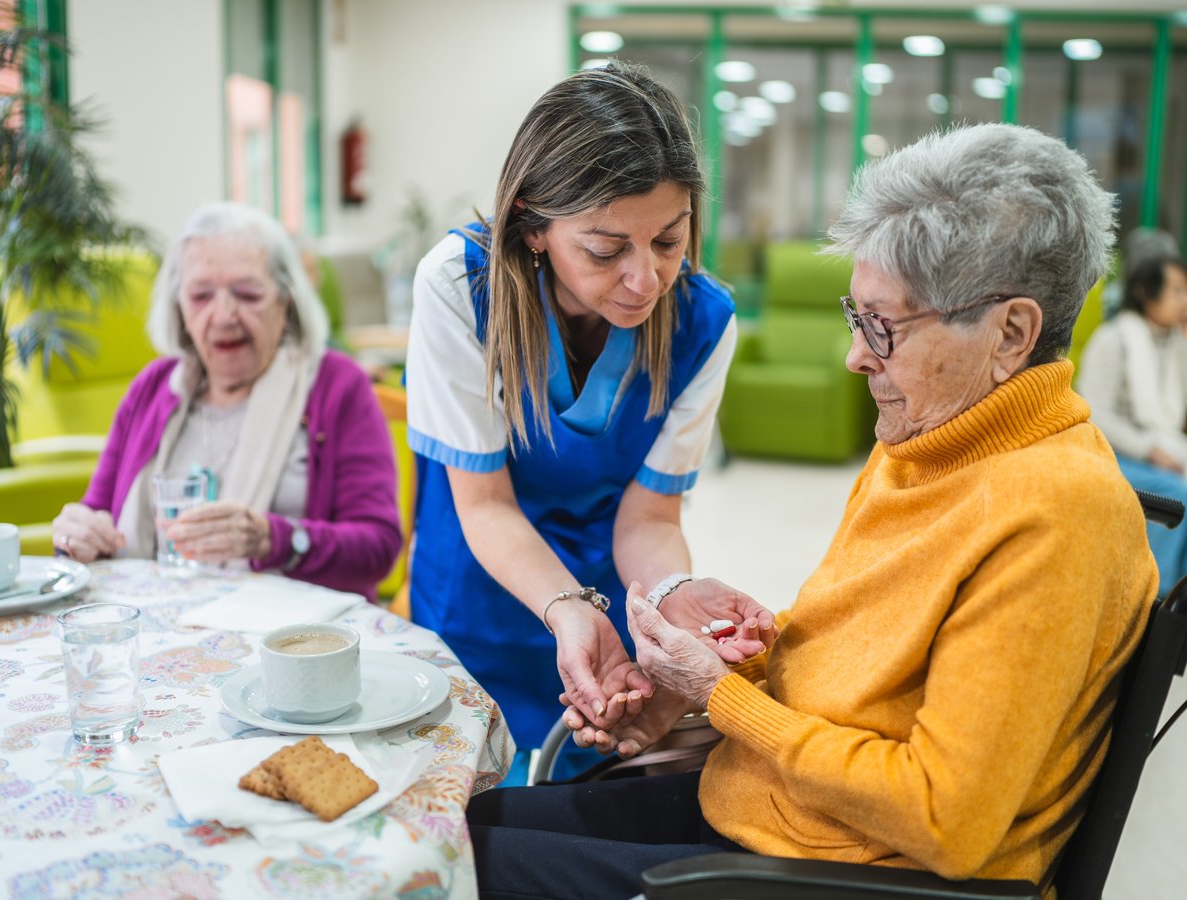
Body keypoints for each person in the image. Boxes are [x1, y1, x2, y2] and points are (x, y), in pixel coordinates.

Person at [465, 122, 1159, 899]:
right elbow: (869, 676)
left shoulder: (1057, 517)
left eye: (883, 327)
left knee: (460, 868)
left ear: (1012, 333)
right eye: (854, 315)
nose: (855, 355)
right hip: (771, 811)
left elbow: (945, 819)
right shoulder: (930, 442)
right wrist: (740, 661)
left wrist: (722, 699)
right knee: (469, 823)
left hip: (842, 874)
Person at [404, 62, 777, 782]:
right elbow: (483, 504)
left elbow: (650, 519)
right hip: (477, 604)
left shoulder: (704, 322)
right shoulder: (457, 288)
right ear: (534, 226)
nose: (646, 279)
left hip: (612, 622)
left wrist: (668, 600)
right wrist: (566, 607)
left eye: (668, 241)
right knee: (466, 805)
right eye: (606, 250)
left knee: (563, 811)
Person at [52, 202, 402, 601]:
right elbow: (95, 515)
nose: (223, 315)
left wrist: (273, 539)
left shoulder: (337, 385)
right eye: (201, 296)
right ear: (178, 306)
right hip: (155, 625)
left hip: (294, 639)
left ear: (284, 302)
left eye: (248, 294)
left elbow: (379, 546)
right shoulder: (152, 387)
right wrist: (76, 535)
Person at [1078, 254, 1187, 595]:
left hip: (1161, 454)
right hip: (1118, 456)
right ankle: (1160, 595)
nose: (1183, 300)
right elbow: (1095, 415)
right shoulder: (1113, 340)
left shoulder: (1174, 343)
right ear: (1145, 293)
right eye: (1176, 291)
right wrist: (1150, 450)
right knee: (1179, 494)